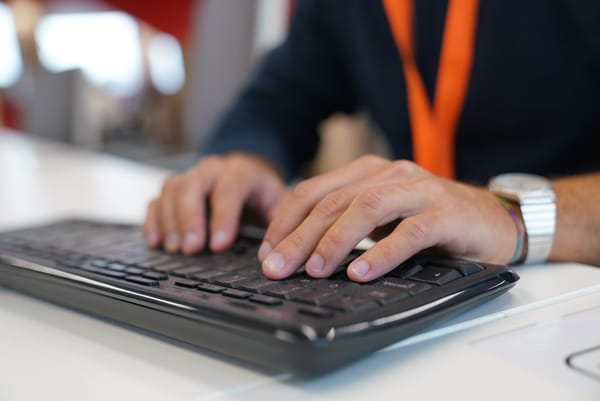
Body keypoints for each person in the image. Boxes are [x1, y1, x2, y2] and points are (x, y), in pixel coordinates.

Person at [143, 0, 600, 282]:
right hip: (433, 283)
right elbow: (280, 96)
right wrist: (245, 161)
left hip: (569, 289)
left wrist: (510, 217)